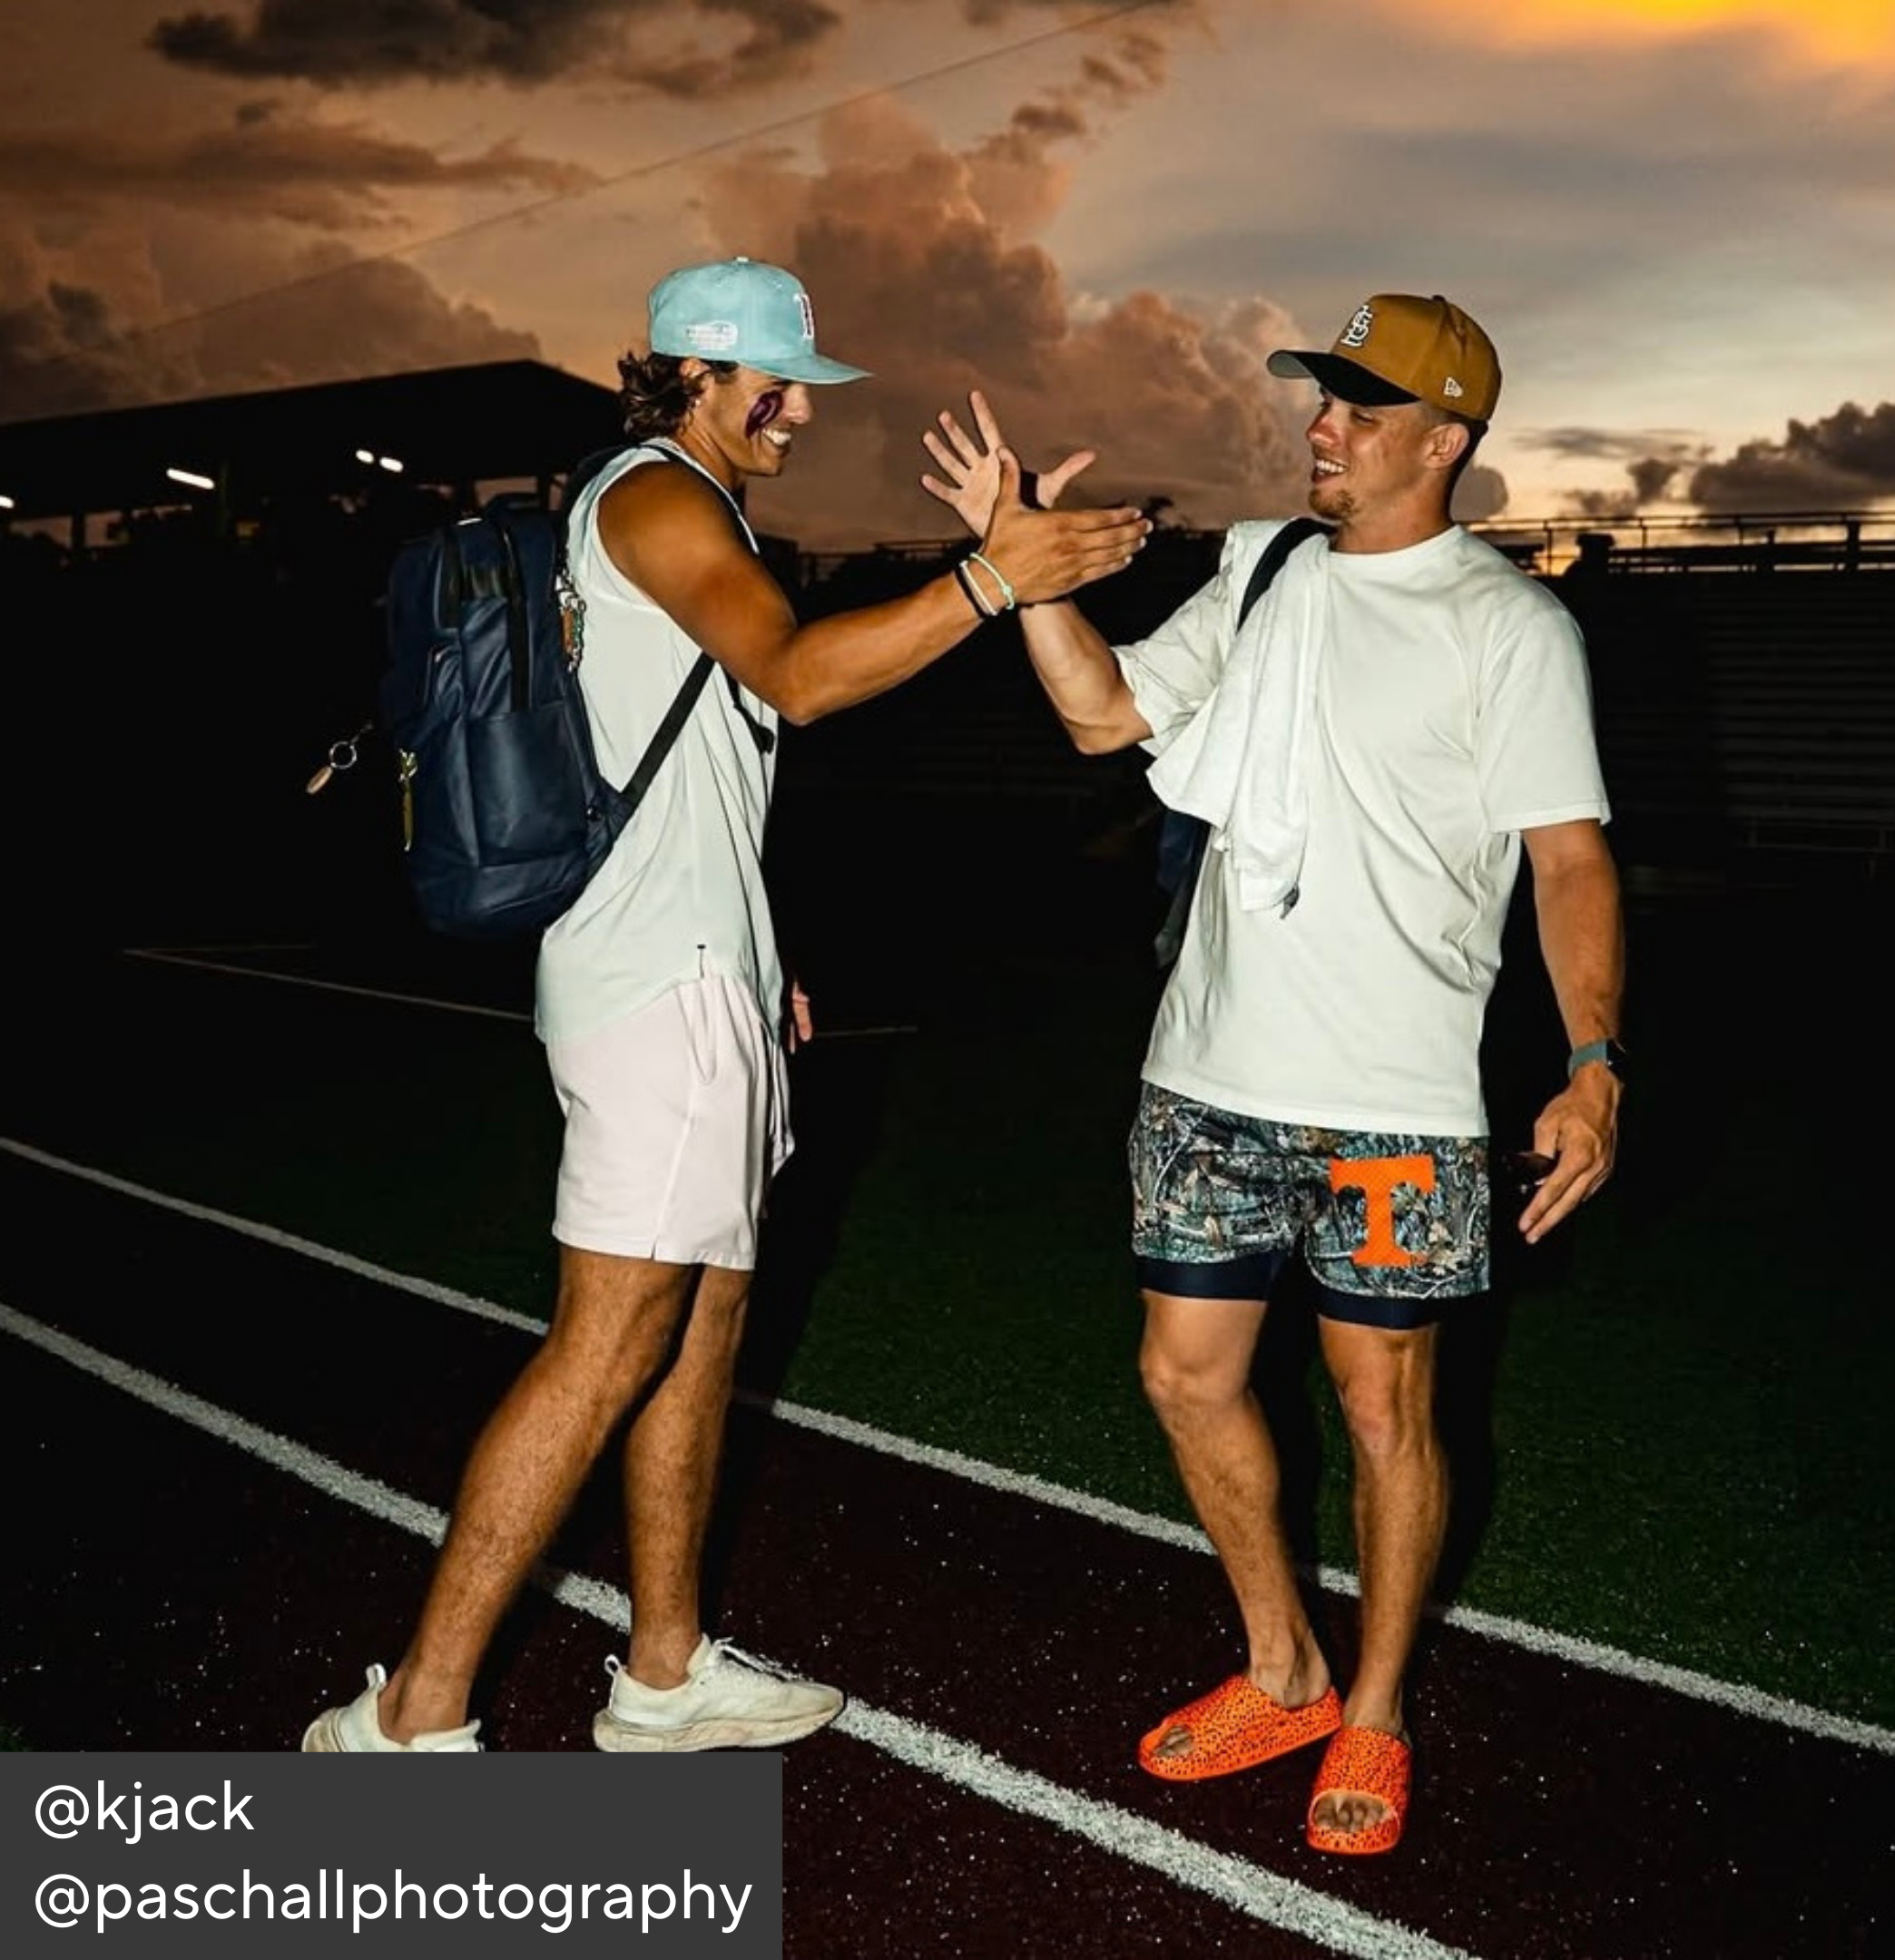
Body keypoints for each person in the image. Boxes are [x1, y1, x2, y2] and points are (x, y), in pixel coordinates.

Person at [304, 255, 1150, 1754]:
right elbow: (804, 677)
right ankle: (411, 1720)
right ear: (695, 369)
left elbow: (700, 765)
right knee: (610, 1339)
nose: (797, 416)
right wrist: (992, 577)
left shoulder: (684, 504)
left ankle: (667, 1671)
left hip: (709, 976)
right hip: (657, 993)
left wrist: (768, 960)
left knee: (702, 1328)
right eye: (778, 386)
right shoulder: (655, 498)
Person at [920, 293, 1623, 1852]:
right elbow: (1107, 716)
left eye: (1361, 412)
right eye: (1323, 400)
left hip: (1395, 1103)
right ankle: (1283, 1664)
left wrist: (1591, 1061)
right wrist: (1026, 575)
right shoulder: (1264, 568)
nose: (1322, 426)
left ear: (1444, 444)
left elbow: (1570, 863)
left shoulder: (1510, 629)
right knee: (1186, 1376)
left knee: (1384, 1414)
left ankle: (1372, 1714)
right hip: (1210, 1081)